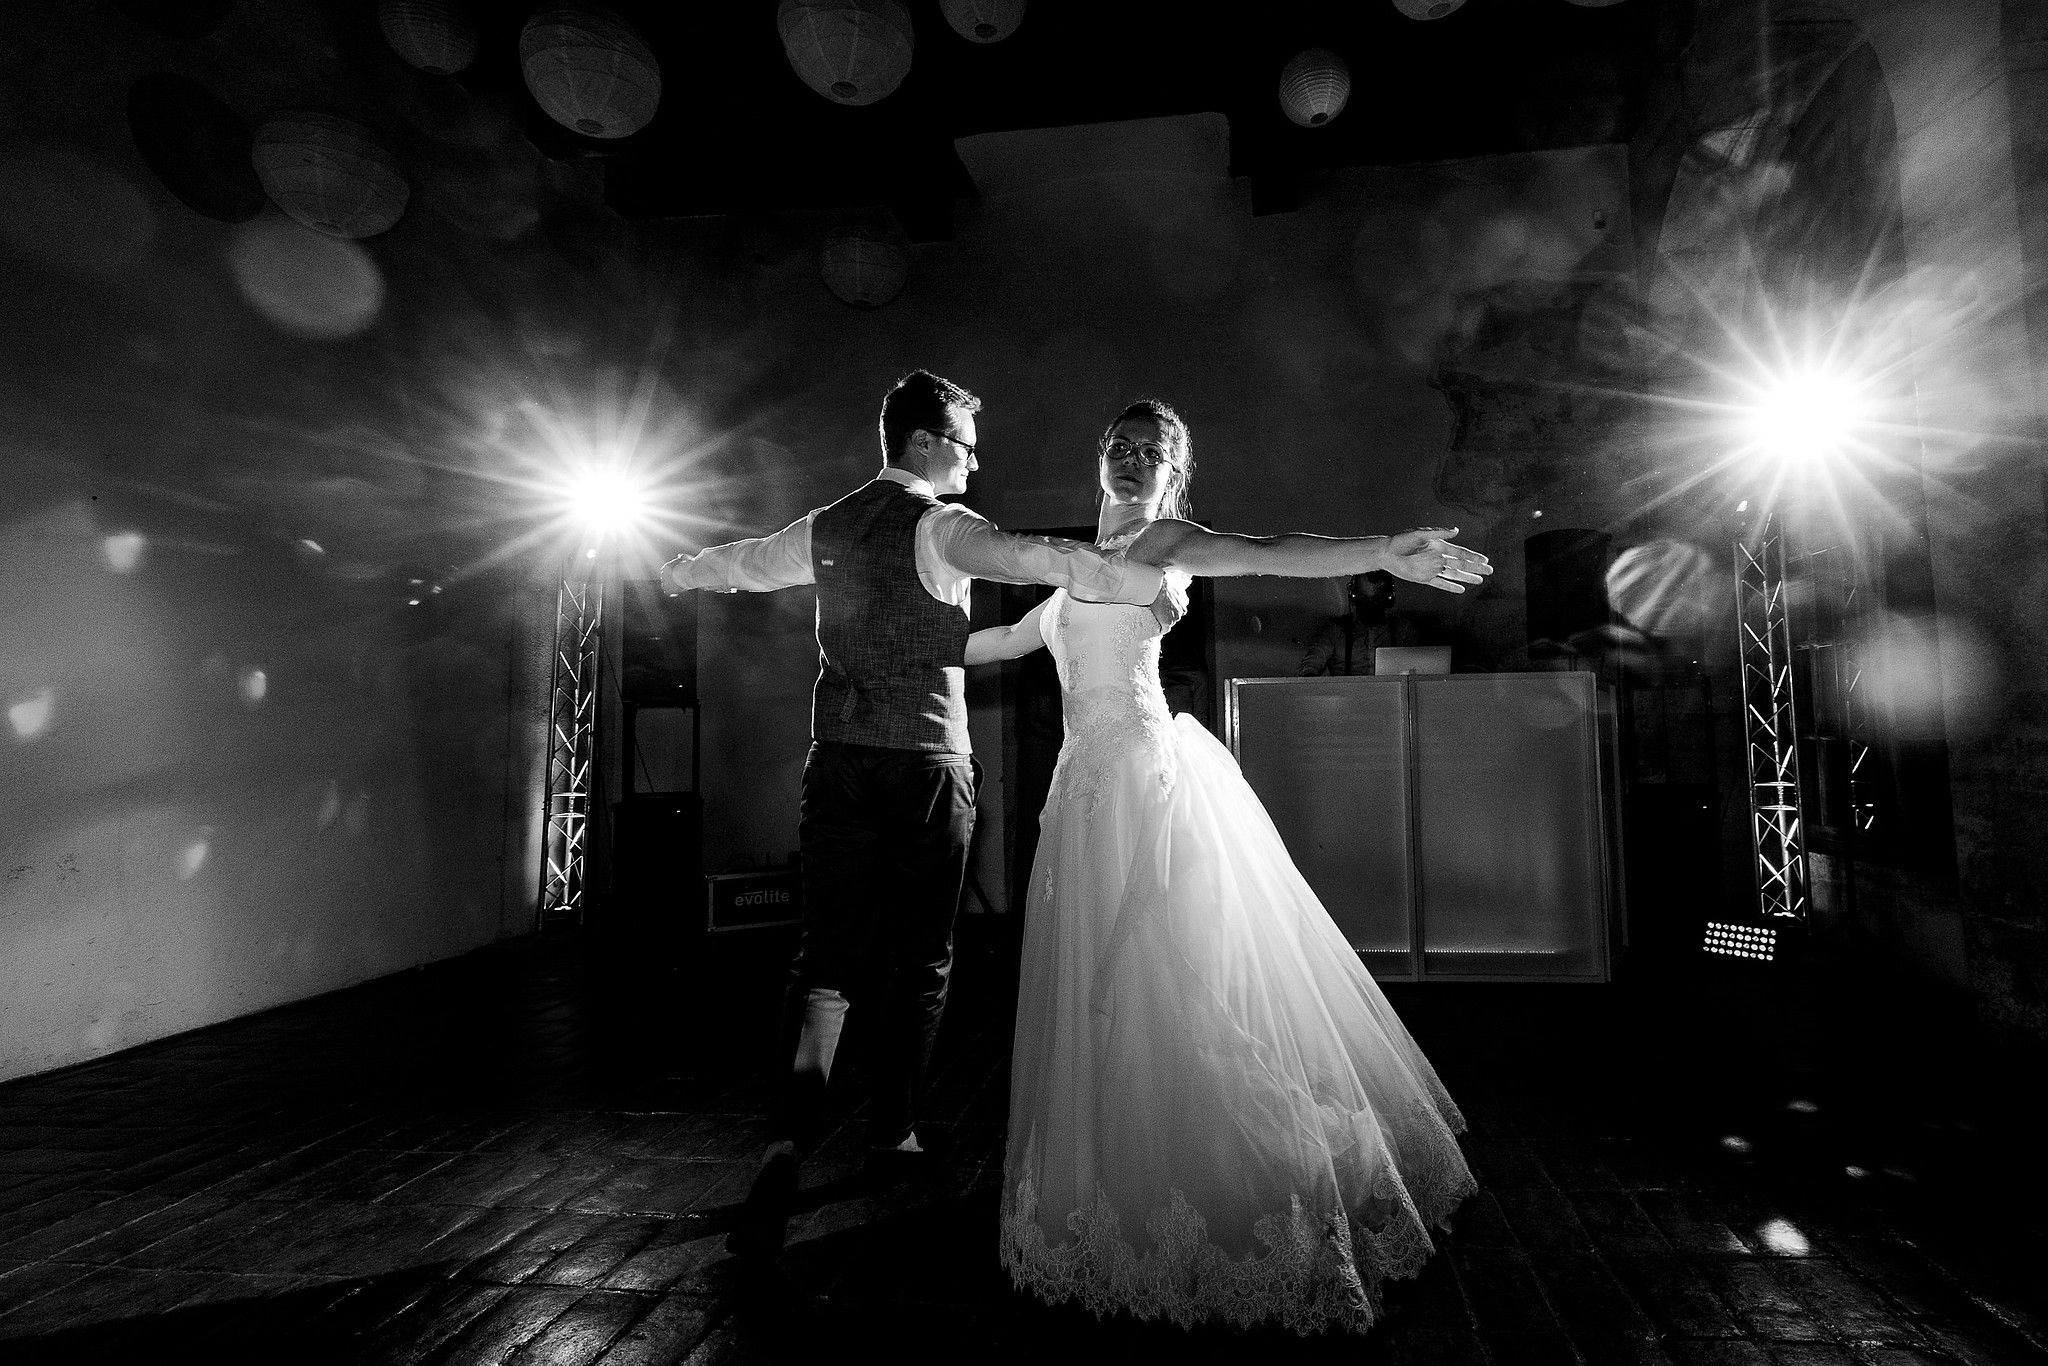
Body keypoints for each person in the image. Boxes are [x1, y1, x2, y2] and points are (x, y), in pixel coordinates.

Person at [967, 400, 1486, 1335]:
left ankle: (1229, 1178)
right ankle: (1110, 1174)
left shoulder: (1165, 542)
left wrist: (1381, 549)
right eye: (1119, 447)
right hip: (1078, 792)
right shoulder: (1066, 576)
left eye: (1152, 453)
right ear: (1099, 460)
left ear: (1173, 473)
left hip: (1141, 786)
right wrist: (875, 642)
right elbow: (999, 644)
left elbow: (1270, 547)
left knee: (1173, 982)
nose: (1131, 462)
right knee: (1100, 987)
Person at [658, 371, 1174, 1260]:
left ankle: (789, 1133)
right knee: (923, 957)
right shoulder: (945, 525)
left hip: (839, 762)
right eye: (967, 443)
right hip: (928, 767)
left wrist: (677, 570)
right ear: (928, 443)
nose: (976, 460)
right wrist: (1102, 567)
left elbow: (740, 565)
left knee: (825, 957)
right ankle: (895, 1127)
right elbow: (1027, 557)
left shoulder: (824, 527)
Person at [1297, 570, 1415, 675]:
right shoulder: (1336, 629)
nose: (1370, 607)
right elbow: (1311, 663)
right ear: (1354, 597)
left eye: (1376, 600)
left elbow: (1416, 665)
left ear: (1388, 600)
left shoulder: (1402, 629)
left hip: (1391, 695)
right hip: (1345, 695)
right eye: (1364, 600)